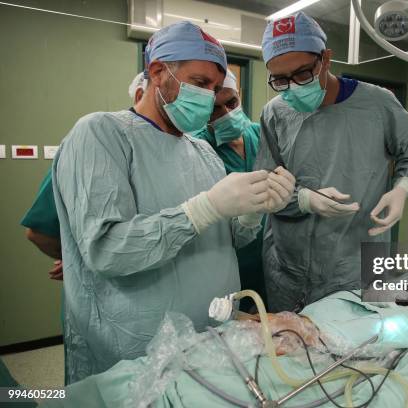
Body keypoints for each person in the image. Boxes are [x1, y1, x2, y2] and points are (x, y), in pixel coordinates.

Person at [52, 21, 295, 383]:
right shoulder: (101, 134)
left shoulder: (204, 154)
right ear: (157, 72)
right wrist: (202, 209)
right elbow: (107, 250)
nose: (210, 98)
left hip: (211, 341)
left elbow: (227, 242)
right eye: (199, 83)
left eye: (215, 88)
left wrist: (248, 216)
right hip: (135, 354)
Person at [257, 12, 408, 312]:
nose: (293, 87)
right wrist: (303, 200)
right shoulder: (275, 113)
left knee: (353, 350)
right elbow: (264, 183)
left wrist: (402, 188)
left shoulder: (378, 104)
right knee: (288, 350)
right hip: (287, 267)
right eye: (280, 80)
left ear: (325, 59)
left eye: (302, 74)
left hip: (353, 267)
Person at [21, 72, 150, 281]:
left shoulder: (193, 154)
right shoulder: (96, 143)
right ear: (139, 96)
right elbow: (39, 232)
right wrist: (85, 260)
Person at [192, 69, 267, 308]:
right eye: (215, 108)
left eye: (231, 102)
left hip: (267, 257)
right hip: (227, 259)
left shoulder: (261, 134)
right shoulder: (198, 147)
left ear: (240, 96)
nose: (226, 113)